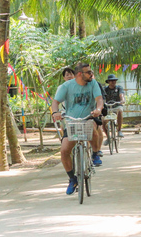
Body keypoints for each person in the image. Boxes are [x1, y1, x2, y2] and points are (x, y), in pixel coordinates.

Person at [51, 63, 104, 195]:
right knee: (64, 151)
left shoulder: (93, 84)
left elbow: (99, 100)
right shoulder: (67, 86)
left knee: (93, 128)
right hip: (71, 121)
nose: (91, 74)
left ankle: (95, 153)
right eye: (88, 72)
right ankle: (72, 179)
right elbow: (55, 102)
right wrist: (55, 112)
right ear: (80, 74)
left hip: (88, 118)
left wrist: (98, 109)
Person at [103, 74, 125, 146]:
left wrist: (122, 100)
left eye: (114, 81)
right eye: (111, 81)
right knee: (103, 120)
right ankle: (108, 137)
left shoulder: (119, 88)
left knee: (120, 110)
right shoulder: (105, 89)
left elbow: (121, 95)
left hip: (117, 106)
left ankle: (119, 130)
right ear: (108, 82)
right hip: (108, 107)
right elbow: (102, 97)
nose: (113, 82)